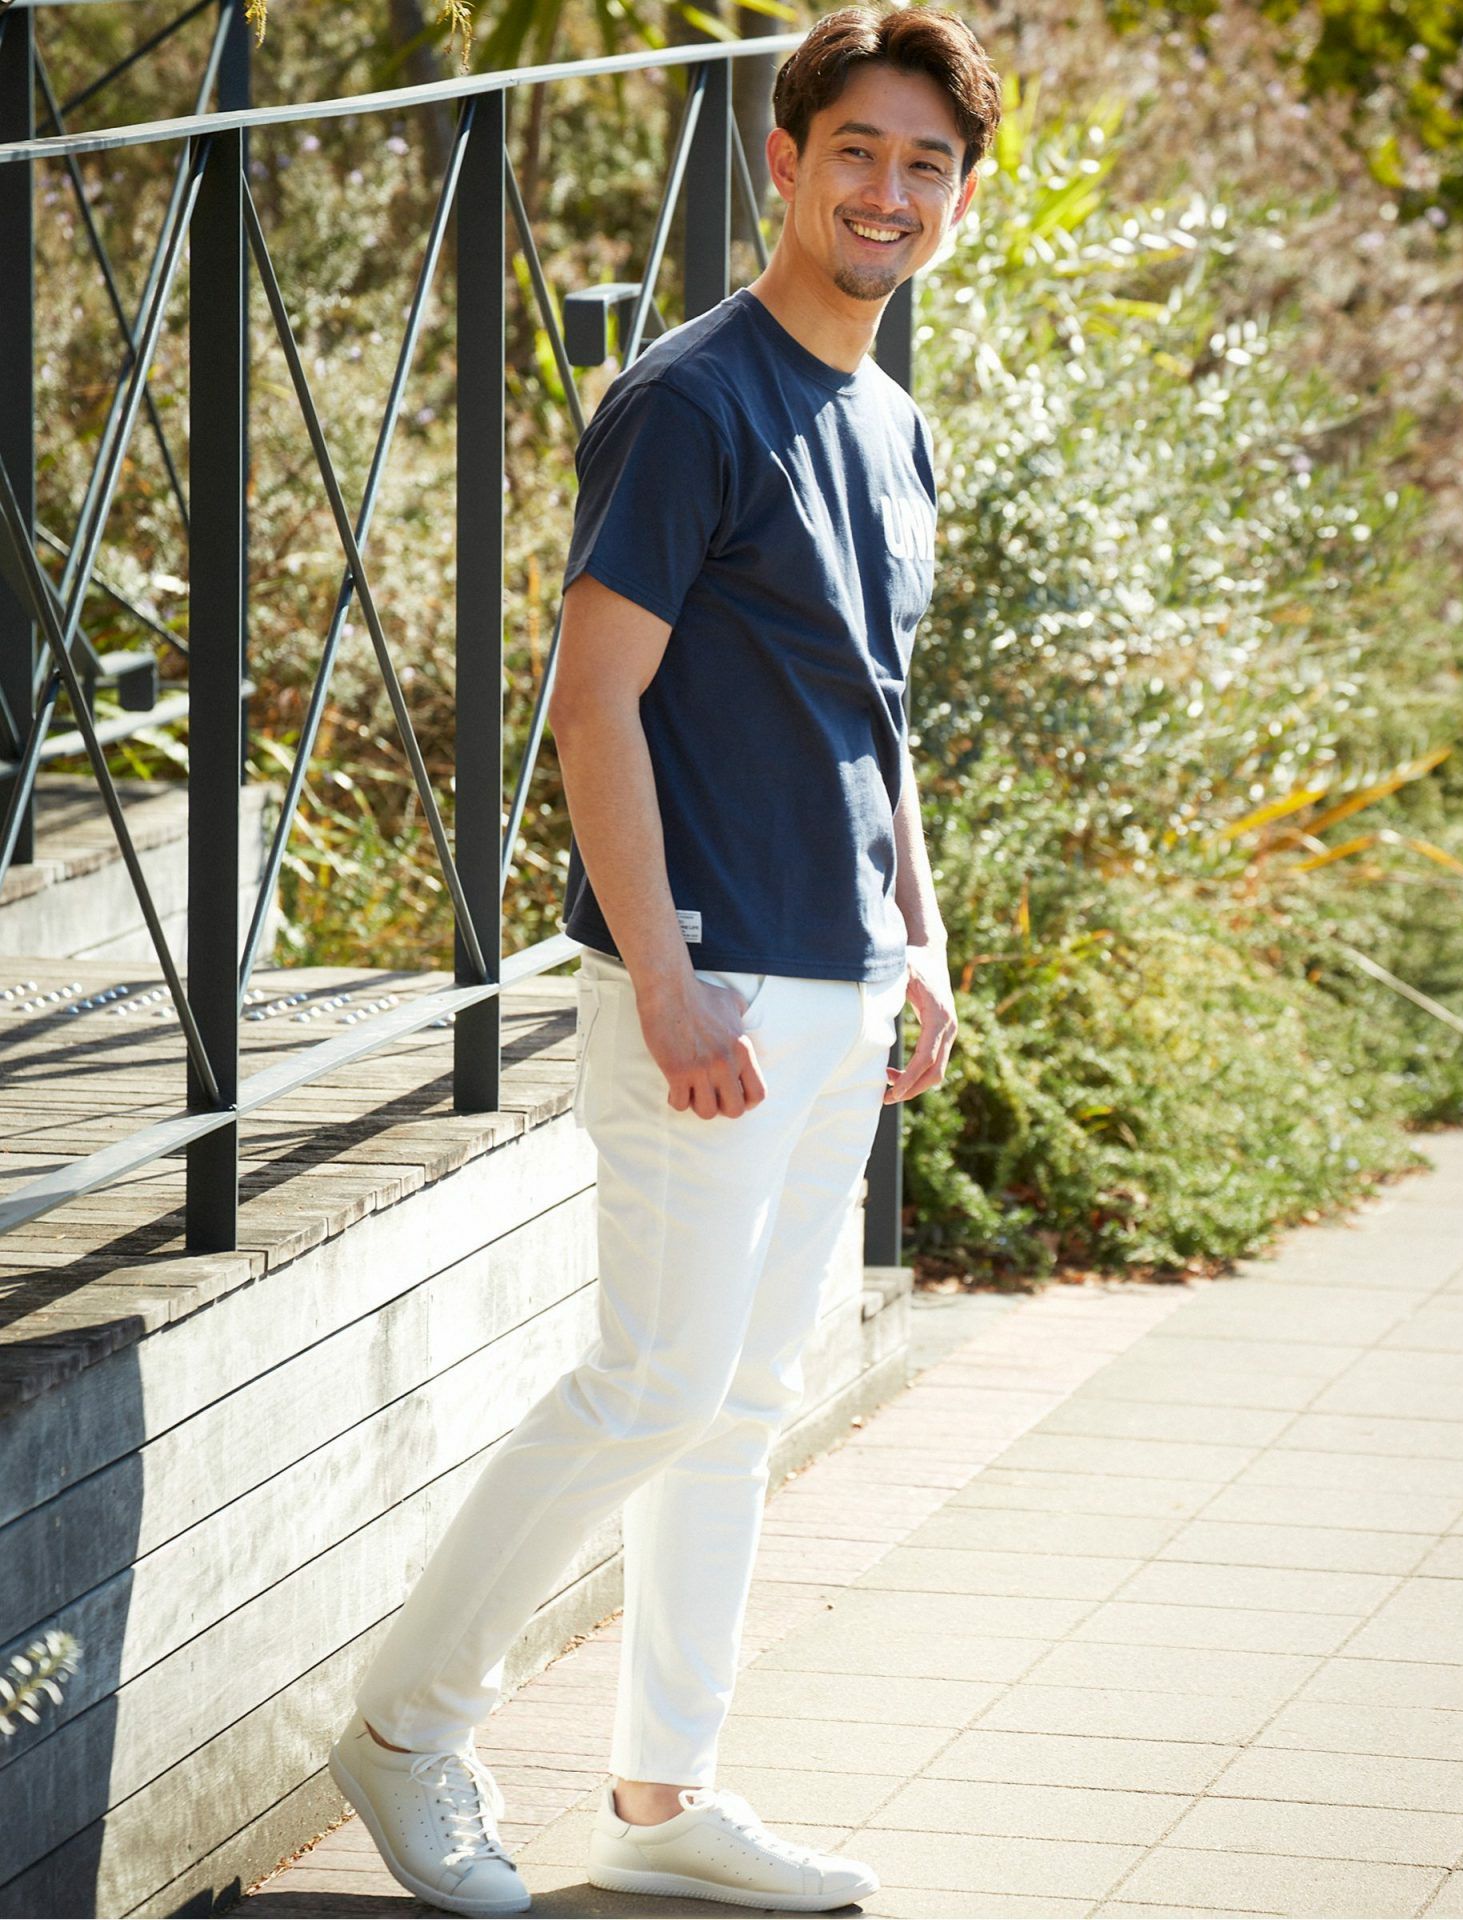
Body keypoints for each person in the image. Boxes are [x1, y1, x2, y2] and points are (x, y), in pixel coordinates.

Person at [327, 6, 1000, 1911]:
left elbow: (871, 712)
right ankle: (403, 1735)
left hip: (837, 977)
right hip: (708, 978)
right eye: (858, 152)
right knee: (652, 1384)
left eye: (928, 165)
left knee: (739, 1403)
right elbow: (592, 699)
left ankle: (665, 1797)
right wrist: (664, 975)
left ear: (960, 195)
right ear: (785, 162)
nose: (890, 192)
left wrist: (920, 936)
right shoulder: (692, 401)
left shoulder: (892, 422)